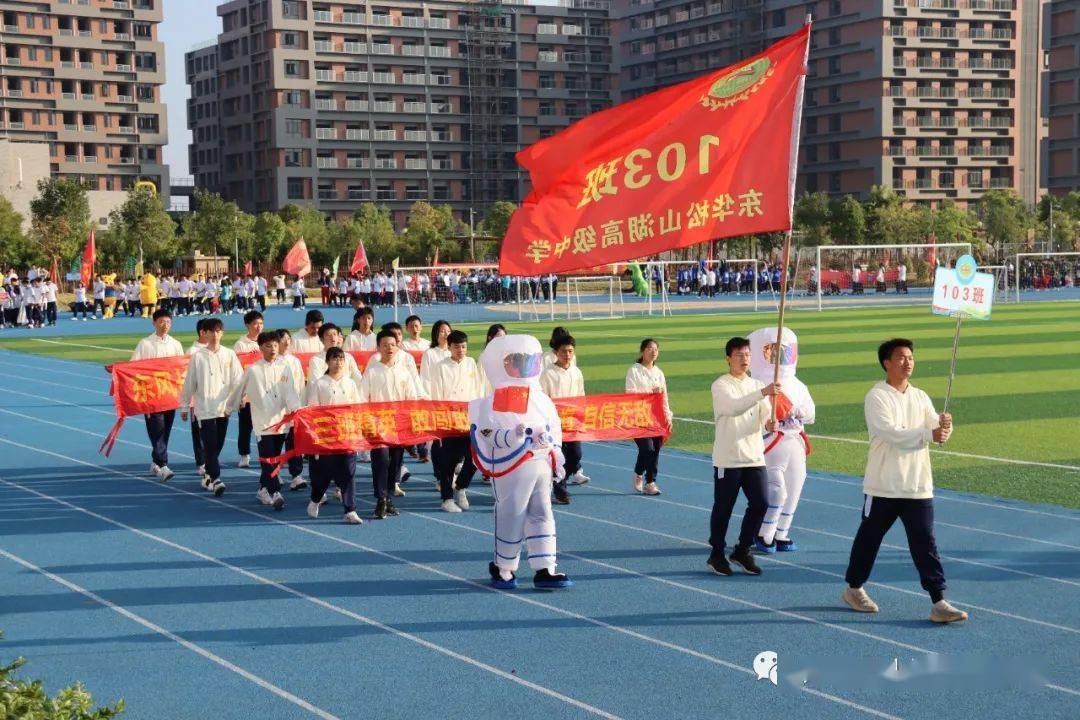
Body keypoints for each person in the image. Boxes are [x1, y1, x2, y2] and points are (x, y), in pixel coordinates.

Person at [842, 338, 967, 624]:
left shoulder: (920, 396)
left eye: (910, 357)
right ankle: (853, 588)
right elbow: (891, 433)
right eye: (901, 357)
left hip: (917, 484)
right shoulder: (877, 396)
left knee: (925, 543)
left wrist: (945, 426)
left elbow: (935, 427)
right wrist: (929, 434)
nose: (907, 362)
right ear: (886, 362)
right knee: (869, 540)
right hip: (883, 485)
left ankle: (938, 601)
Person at [470, 334, 571, 590]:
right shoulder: (495, 399)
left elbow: (555, 426)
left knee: (543, 511)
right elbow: (487, 433)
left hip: (541, 463)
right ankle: (504, 567)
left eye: (529, 361)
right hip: (512, 465)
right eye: (516, 361)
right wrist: (516, 435)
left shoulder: (540, 397)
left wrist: (556, 451)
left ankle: (545, 566)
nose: (524, 367)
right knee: (512, 512)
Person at [706, 337, 779, 577]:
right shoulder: (721, 385)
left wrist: (771, 423)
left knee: (761, 503)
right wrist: (762, 393)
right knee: (724, 508)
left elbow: (764, 417)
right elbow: (734, 408)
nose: (744, 359)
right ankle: (716, 553)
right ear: (728, 358)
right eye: (739, 355)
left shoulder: (756, 384)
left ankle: (742, 550)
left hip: (754, 457)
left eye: (747, 354)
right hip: (728, 458)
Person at [748, 327, 815, 554]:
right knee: (777, 490)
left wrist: (796, 411)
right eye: (770, 350)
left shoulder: (798, 384)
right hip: (769, 444)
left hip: (794, 441)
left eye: (782, 351)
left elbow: (811, 413)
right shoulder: (756, 384)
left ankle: (782, 532)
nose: (778, 356)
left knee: (795, 485)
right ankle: (764, 533)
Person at [228, 331, 302, 511]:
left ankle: (262, 489)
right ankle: (275, 492)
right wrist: (229, 407)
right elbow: (239, 389)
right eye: (268, 346)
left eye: (275, 345)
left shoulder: (285, 368)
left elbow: (290, 392)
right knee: (268, 460)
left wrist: (296, 409)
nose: (272, 349)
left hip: (281, 421)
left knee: (274, 460)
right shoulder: (253, 370)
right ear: (260, 348)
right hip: (262, 423)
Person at [357, 329, 427, 518]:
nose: (389, 348)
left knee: (395, 462)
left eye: (393, 345)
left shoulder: (404, 371)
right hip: (378, 425)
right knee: (380, 460)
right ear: (378, 347)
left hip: (399, 425)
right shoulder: (372, 371)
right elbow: (362, 398)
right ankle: (380, 499)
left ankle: (387, 498)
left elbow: (411, 398)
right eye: (385, 345)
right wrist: (367, 422)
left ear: (398, 347)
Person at [179, 317, 243, 496]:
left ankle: (208, 474)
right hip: (205, 409)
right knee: (209, 443)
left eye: (218, 331)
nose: (215, 335)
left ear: (222, 333)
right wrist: (184, 406)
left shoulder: (229, 354)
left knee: (217, 444)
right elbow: (190, 383)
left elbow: (238, 380)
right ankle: (215, 479)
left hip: (224, 407)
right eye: (211, 331)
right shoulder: (198, 356)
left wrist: (240, 397)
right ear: (204, 333)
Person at [305, 346, 363, 524]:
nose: (338, 362)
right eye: (334, 359)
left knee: (348, 472)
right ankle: (316, 499)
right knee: (324, 475)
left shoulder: (350, 383)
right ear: (328, 361)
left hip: (346, 436)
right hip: (326, 438)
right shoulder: (320, 384)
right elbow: (313, 410)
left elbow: (357, 408)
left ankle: (350, 510)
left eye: (341, 359)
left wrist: (358, 431)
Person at [428, 329, 482, 512]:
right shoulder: (441, 366)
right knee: (448, 462)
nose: (461, 350)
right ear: (449, 347)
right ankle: (446, 498)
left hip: (469, 419)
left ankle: (460, 487)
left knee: (475, 458)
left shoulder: (471, 363)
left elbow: (477, 390)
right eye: (457, 346)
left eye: (464, 346)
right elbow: (436, 394)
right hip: (448, 420)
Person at [131, 309, 185, 480]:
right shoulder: (145, 344)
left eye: (168, 322)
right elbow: (133, 367)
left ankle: (156, 462)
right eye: (161, 321)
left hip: (169, 395)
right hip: (152, 396)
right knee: (157, 428)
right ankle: (163, 465)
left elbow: (182, 369)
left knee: (165, 430)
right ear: (153, 323)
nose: (165, 325)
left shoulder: (176, 344)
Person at [539, 333, 588, 503]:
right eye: (563, 351)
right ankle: (561, 490)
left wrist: (581, 415)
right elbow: (543, 398)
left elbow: (581, 395)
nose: (567, 355)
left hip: (572, 422)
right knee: (558, 456)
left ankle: (559, 481)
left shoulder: (576, 372)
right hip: (554, 424)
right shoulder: (547, 373)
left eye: (570, 351)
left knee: (575, 455)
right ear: (556, 352)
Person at [625, 338, 672, 496]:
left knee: (656, 449)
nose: (653, 352)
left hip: (656, 418)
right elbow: (630, 394)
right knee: (647, 448)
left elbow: (664, 397)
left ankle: (650, 482)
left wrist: (668, 417)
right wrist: (650, 393)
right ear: (642, 351)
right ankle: (639, 473)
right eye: (649, 349)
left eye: (656, 349)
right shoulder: (634, 370)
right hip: (639, 417)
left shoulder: (659, 373)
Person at [273, 329, 308, 490]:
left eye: (288, 339)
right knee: (276, 442)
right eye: (282, 339)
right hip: (277, 409)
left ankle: (296, 475)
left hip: (295, 408)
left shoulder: (295, 361)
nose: (286, 342)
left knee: (294, 443)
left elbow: (301, 383)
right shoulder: (272, 361)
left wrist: (301, 405)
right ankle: (275, 473)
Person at [233, 310, 264, 468]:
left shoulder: (267, 341)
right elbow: (238, 371)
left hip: (265, 393)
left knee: (265, 426)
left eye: (261, 323)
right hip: (247, 393)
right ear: (247, 325)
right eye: (255, 324)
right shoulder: (240, 344)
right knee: (245, 426)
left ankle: (266, 455)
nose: (258, 327)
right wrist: (242, 394)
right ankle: (244, 455)